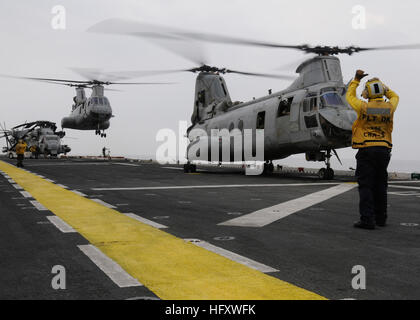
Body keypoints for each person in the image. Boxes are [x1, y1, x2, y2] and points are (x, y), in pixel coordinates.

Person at [346, 70, 399, 230]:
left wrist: (355, 80)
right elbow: (395, 96)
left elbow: (350, 97)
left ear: (368, 92)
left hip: (366, 149)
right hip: (383, 149)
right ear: (381, 91)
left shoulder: (363, 107)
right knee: (381, 185)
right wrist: (383, 87)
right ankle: (381, 218)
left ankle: (367, 219)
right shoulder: (390, 107)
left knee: (366, 185)